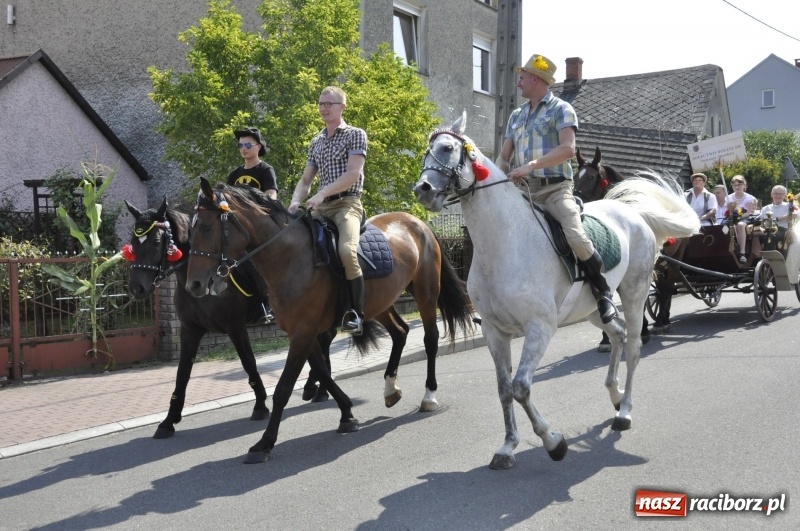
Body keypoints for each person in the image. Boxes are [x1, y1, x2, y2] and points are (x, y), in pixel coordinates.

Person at [496, 53, 616, 324]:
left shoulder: (562, 109)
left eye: (522, 77)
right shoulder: (516, 115)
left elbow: (568, 149)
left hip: (555, 190)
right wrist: (494, 178)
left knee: (575, 236)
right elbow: (504, 157)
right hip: (524, 192)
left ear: (536, 80)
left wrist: (532, 165)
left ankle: (604, 293)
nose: (518, 83)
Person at [288, 86, 368, 334]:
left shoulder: (355, 134)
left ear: (342, 107)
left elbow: (353, 174)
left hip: (347, 204)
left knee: (346, 251)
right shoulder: (316, 141)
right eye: (321, 103)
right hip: (320, 207)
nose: (324, 108)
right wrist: (294, 202)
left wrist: (322, 193)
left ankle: (356, 313)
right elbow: (305, 181)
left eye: (329, 104)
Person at [228, 127, 278, 323]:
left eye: (248, 144)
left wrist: (260, 208)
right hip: (240, 230)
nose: (243, 148)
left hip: (261, 228)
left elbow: (272, 194)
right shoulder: (234, 174)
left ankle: (267, 304)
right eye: (241, 145)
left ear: (258, 147)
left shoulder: (265, 170)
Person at [725, 175, 758, 262]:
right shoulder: (728, 198)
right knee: (722, 226)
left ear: (744, 185)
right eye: (735, 185)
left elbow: (749, 212)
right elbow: (726, 211)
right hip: (733, 217)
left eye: (739, 184)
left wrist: (738, 217)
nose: (737, 187)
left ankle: (742, 253)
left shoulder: (750, 198)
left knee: (739, 225)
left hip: (747, 217)